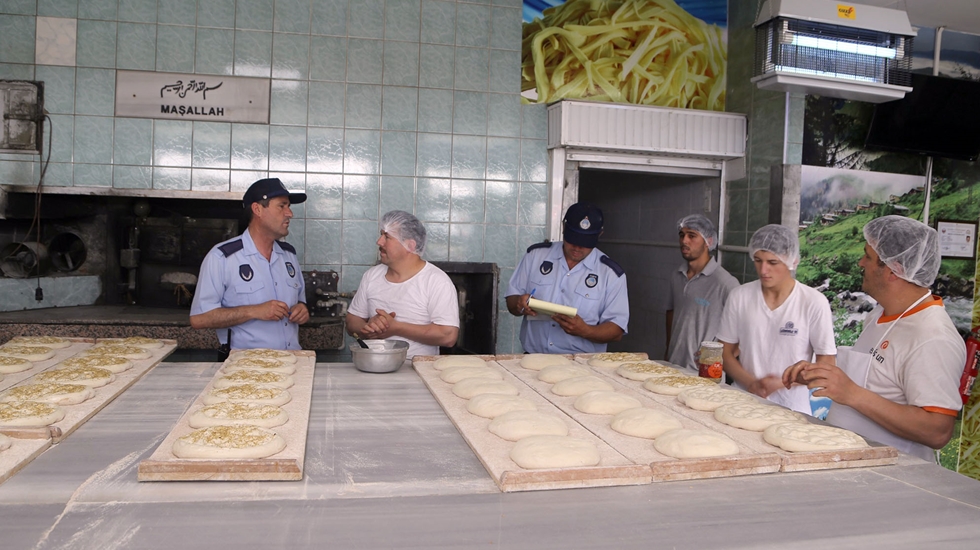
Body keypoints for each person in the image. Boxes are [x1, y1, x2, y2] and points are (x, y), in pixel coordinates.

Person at [782, 216, 966, 461]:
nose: (860, 263)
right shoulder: (880, 314)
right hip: (857, 462)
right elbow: (876, 379)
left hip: (895, 480)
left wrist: (852, 393)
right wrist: (822, 374)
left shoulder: (932, 337)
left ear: (893, 270)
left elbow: (938, 431)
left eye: (867, 256)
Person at [716, 224, 836, 414]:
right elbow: (724, 352)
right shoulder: (740, 296)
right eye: (757, 260)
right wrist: (751, 384)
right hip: (743, 401)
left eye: (772, 262)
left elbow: (826, 366)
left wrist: (782, 382)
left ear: (791, 261)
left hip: (792, 409)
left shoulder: (813, 302)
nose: (763, 270)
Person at [190, 177, 310, 351]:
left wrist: (302, 309)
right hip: (245, 367)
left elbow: (300, 301)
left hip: (291, 361)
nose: (289, 213)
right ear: (257, 209)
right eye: (282, 206)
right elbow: (199, 318)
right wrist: (253, 311)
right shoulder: (222, 257)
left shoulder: (288, 255)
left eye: (289, 206)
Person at [506, 202, 629, 354]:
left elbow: (616, 330)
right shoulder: (536, 256)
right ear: (564, 228)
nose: (577, 247)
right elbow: (511, 301)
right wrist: (519, 303)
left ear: (599, 235)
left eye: (585, 242)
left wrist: (586, 331)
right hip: (533, 357)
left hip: (582, 365)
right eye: (573, 239)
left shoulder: (610, 273)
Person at [345, 211, 459, 358]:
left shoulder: (436, 281)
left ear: (410, 245)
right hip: (373, 367)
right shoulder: (372, 276)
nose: (379, 242)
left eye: (387, 237)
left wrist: (396, 328)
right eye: (381, 235)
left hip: (417, 370)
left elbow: (448, 336)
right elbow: (351, 322)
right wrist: (369, 327)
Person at [665, 214, 739, 370]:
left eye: (692, 236)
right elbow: (672, 312)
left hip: (704, 374)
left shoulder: (725, 283)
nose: (684, 241)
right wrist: (668, 351)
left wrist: (719, 357)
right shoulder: (676, 276)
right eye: (682, 235)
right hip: (673, 366)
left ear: (708, 241)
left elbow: (745, 330)